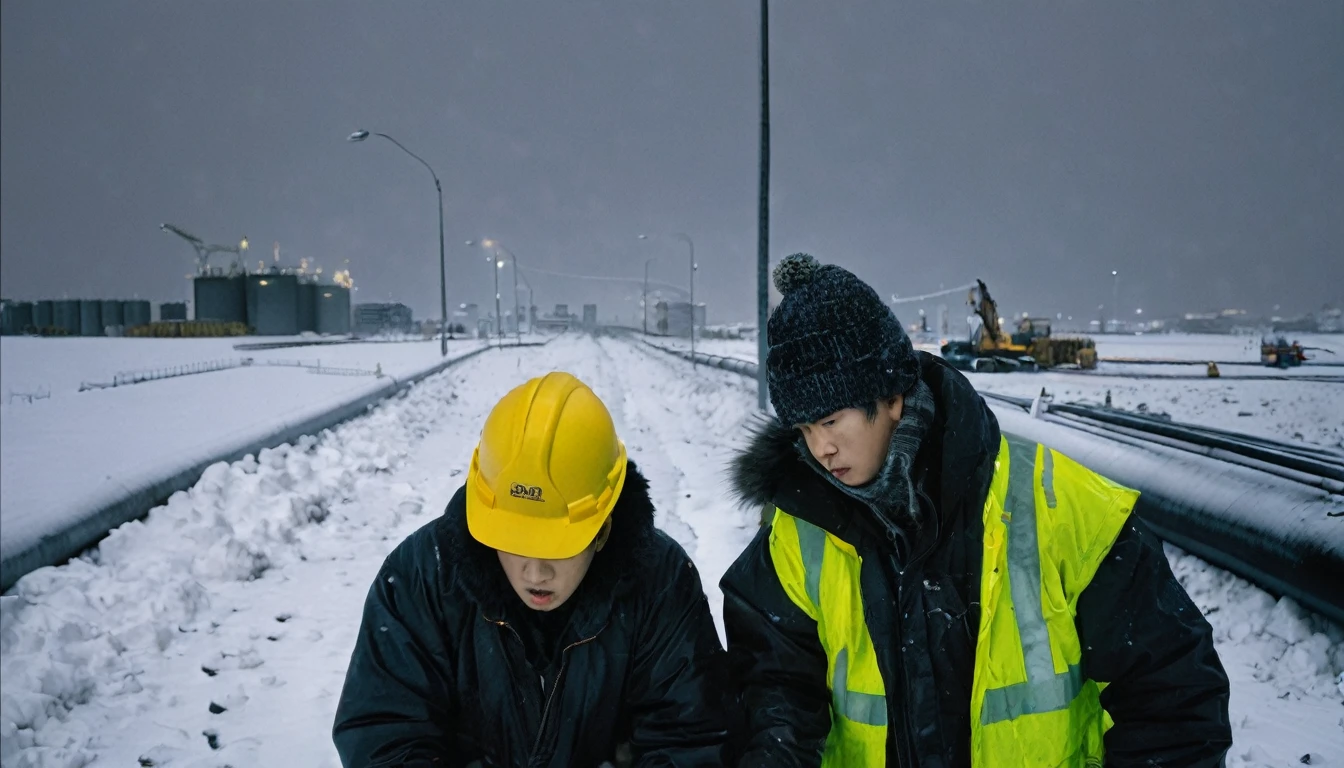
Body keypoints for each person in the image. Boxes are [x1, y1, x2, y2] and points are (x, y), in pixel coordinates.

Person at [721, 254, 1232, 766]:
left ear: (892, 396)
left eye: (831, 421)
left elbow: (1172, 693)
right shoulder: (796, 532)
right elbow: (772, 686)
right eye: (804, 430)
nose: (820, 449)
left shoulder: (1063, 510)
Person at [334, 371, 732, 767]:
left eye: (558, 548)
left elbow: (690, 738)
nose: (535, 573)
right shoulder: (421, 577)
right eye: (514, 541)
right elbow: (384, 737)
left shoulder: (660, 582)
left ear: (603, 530)